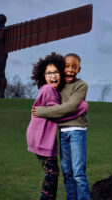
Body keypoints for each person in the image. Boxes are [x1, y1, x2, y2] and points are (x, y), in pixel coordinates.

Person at [26, 52, 88, 200]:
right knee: (55, 173)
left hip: (70, 132)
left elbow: (62, 111)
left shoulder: (72, 86)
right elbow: (59, 113)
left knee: (72, 173)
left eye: (55, 72)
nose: (70, 69)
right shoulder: (50, 89)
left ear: (79, 69)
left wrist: (43, 111)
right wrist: (82, 108)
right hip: (44, 137)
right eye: (67, 66)